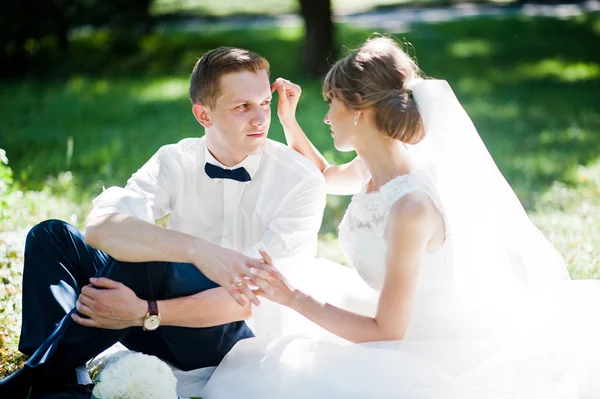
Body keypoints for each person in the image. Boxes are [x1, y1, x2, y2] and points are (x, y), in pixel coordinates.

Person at [200, 36, 600, 398]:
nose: (326, 117)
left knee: (261, 374)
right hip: (391, 314)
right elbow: (322, 176)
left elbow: (386, 332)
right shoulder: (375, 168)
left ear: (358, 110)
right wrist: (289, 120)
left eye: (331, 104)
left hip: (423, 343)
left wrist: (290, 296)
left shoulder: (410, 206)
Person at [0, 47, 326, 399]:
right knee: (52, 236)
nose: (261, 119)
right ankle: (60, 380)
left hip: (229, 338)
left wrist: (144, 312)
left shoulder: (300, 181)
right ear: (204, 115)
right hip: (149, 319)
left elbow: (244, 302)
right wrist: (196, 250)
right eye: (243, 107)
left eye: (264, 103)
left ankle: (33, 380)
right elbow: (101, 227)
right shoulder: (176, 159)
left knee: (151, 258)